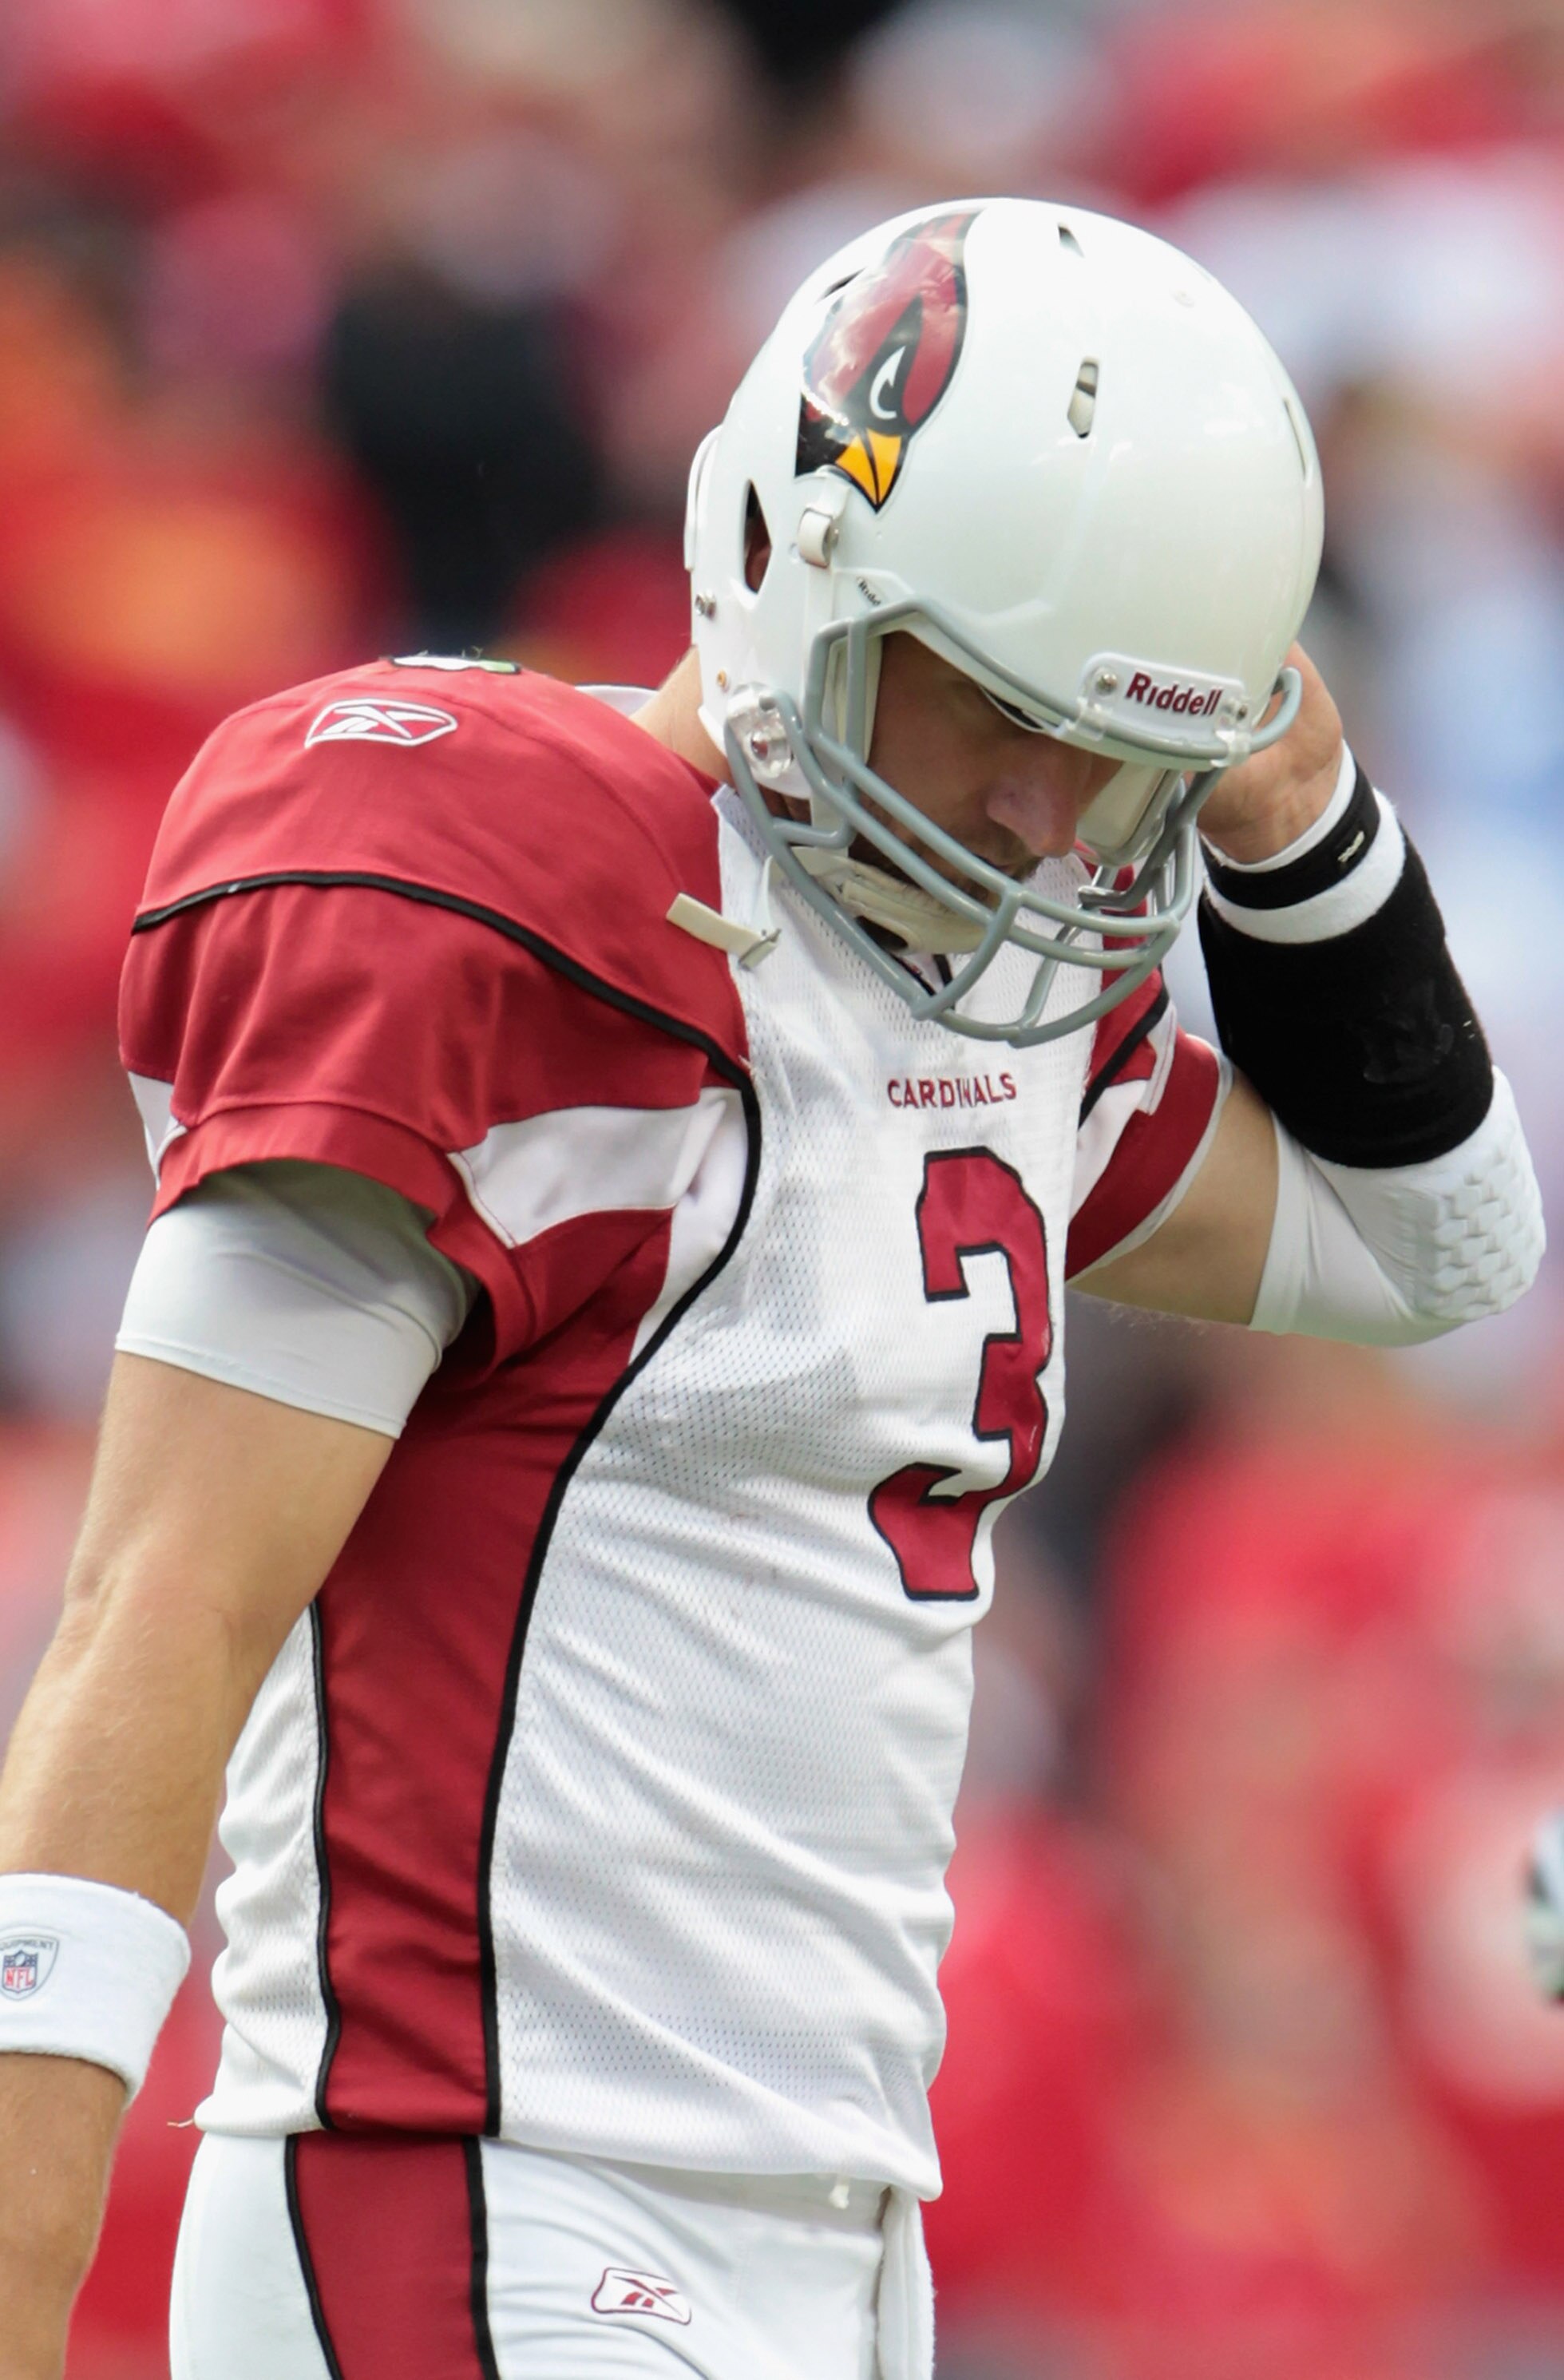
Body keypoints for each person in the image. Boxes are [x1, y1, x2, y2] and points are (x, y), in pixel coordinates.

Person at [0, 200, 1542, 2380]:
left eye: (1113, 756)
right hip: (477, 2193)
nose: (1040, 810)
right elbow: (156, 1605)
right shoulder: (485, 887)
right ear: (799, 562)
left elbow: (1446, 1244)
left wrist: (1299, 819)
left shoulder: (1007, 1015)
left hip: (838, 2232)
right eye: (992, 708)